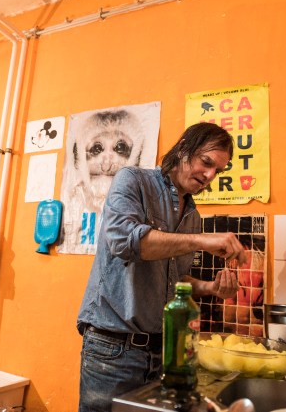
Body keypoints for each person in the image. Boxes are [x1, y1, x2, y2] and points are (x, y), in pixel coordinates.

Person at [76, 122, 248, 412]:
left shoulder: (192, 214)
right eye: (206, 162)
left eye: (217, 171)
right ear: (183, 149)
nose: (209, 176)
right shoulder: (132, 180)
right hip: (111, 350)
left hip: (160, 353)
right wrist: (201, 241)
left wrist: (211, 288)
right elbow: (124, 241)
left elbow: (174, 280)